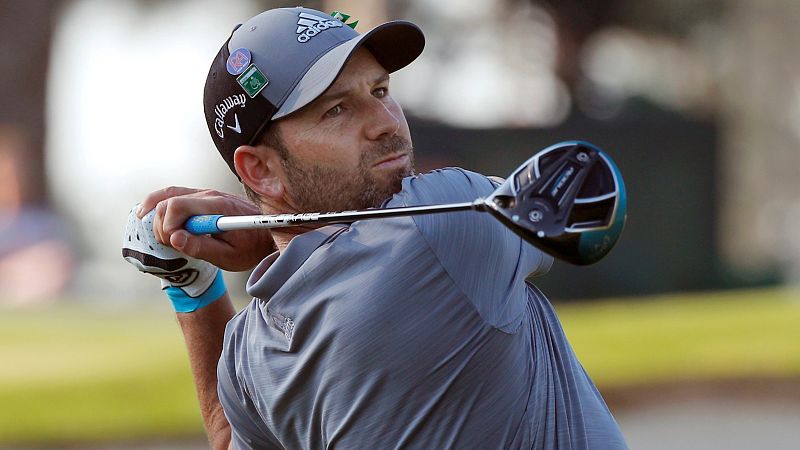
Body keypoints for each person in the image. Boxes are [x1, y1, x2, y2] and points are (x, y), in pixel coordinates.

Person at [123, 6, 628, 450]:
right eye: (337, 110)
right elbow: (567, 197)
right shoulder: (444, 224)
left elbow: (229, 435)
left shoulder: (252, 353)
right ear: (261, 171)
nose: (385, 121)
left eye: (381, 89)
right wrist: (273, 242)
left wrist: (192, 286)